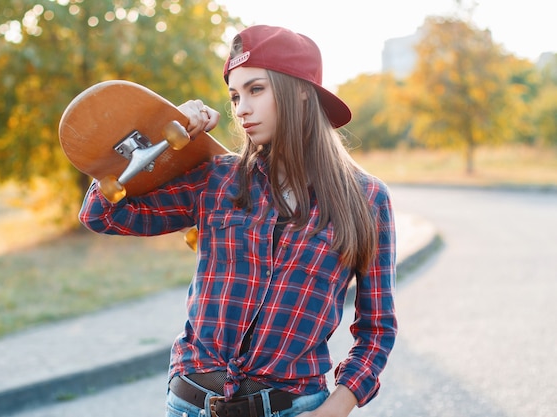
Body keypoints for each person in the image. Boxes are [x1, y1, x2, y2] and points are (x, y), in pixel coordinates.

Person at [79, 25, 397, 417]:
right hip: (190, 403)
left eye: (255, 90)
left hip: (293, 408)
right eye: (234, 95)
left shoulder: (367, 199)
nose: (241, 107)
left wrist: (334, 410)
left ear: (300, 90)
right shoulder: (218, 178)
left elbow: (377, 330)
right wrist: (162, 135)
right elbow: (103, 213)